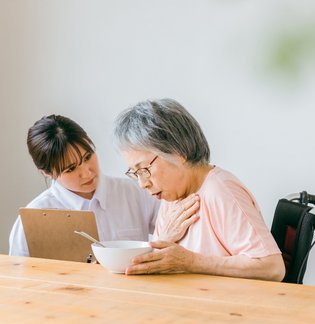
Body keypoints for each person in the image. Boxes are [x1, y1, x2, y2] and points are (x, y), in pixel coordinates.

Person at [113, 98, 286, 281]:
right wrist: (165, 238)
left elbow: (272, 268)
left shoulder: (221, 190)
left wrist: (192, 262)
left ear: (178, 153)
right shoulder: (171, 195)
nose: (142, 183)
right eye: (135, 173)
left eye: (144, 170)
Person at [9, 115, 165, 257]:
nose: (87, 173)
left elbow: (173, 239)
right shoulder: (33, 218)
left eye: (88, 157)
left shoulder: (136, 192)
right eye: (70, 169)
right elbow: (19, 278)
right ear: (47, 173)